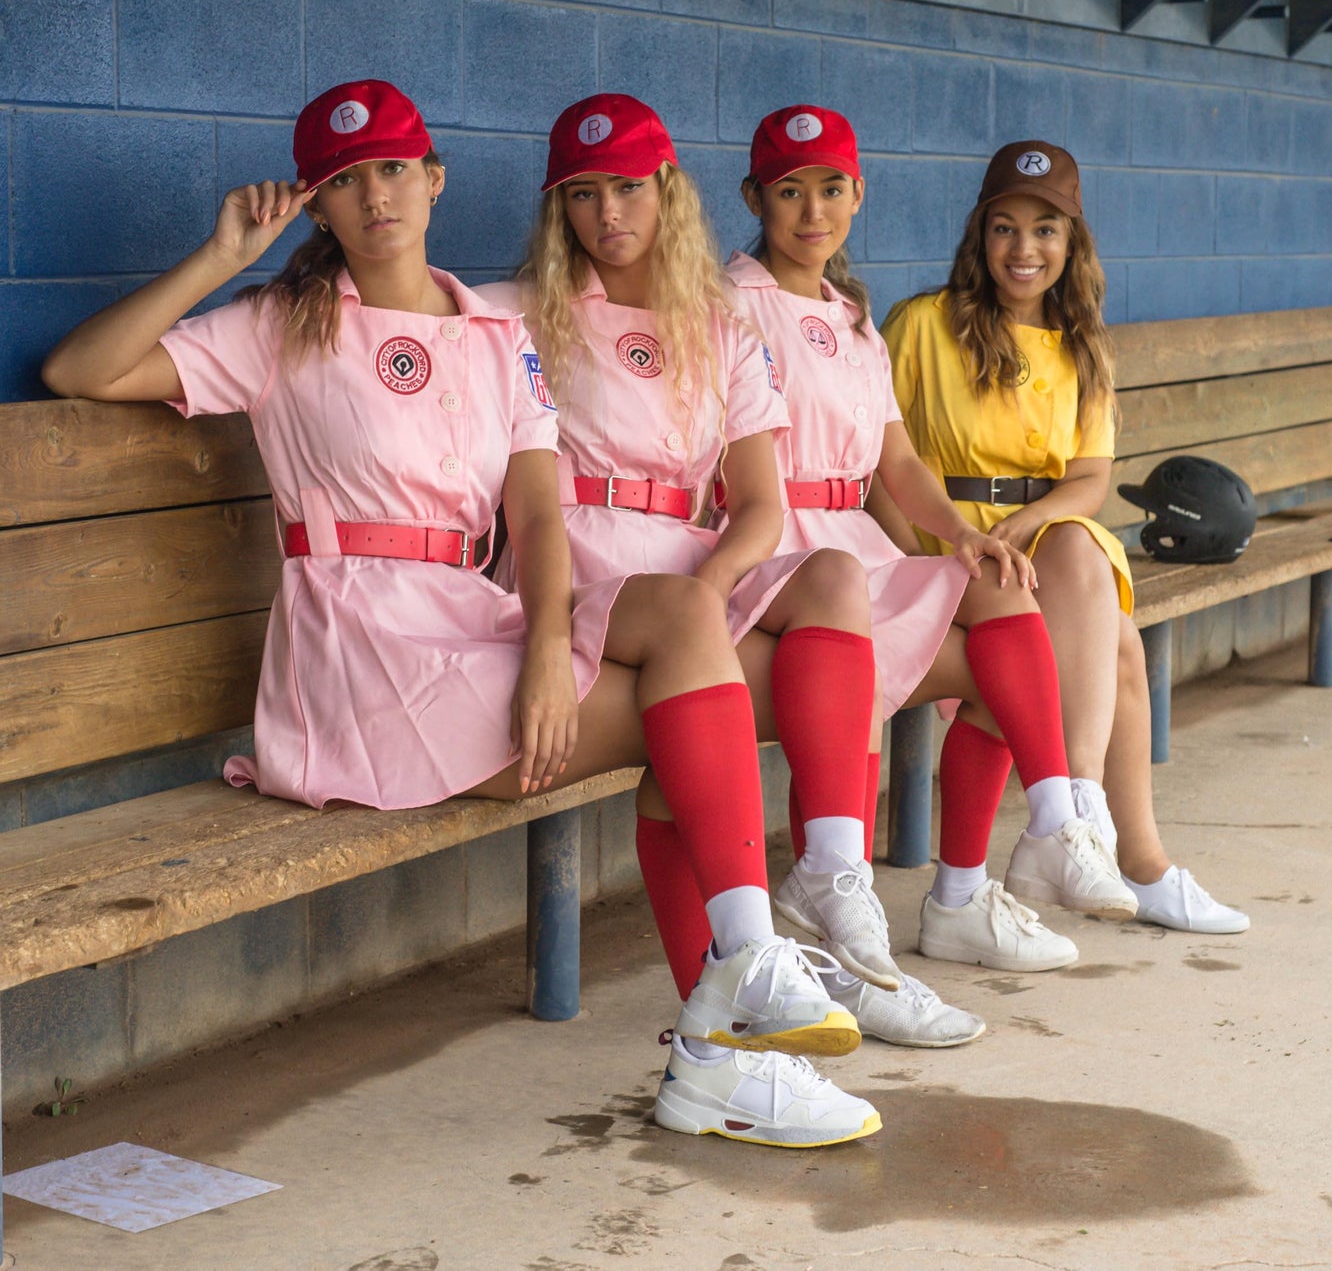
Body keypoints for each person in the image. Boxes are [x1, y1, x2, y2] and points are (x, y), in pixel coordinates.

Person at [40, 79, 880, 1149]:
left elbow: (534, 510)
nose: (373, 196)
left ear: (434, 179)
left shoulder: (496, 333)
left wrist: (542, 644)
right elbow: (82, 367)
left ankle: (730, 1020)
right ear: (318, 205)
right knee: (690, 718)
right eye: (342, 181)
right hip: (359, 647)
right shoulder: (281, 325)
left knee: (680, 635)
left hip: (470, 620)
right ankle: (724, 1040)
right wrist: (222, 258)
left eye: (392, 168)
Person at [494, 90, 954, 1050]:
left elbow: (757, 505)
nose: (606, 216)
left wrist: (712, 590)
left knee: (829, 578)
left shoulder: (718, 325)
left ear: (668, 192)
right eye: (581, 195)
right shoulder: (514, 314)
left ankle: (833, 886)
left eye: (626, 188)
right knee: (717, 708)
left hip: (682, 575)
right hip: (576, 572)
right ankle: (747, 1003)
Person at [728, 104, 1140, 1000]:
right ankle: (853, 918)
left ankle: (1039, 833)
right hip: (778, 541)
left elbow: (894, 460)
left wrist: (959, 540)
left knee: (1003, 600)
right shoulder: (731, 304)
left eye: (831, 189)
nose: (812, 212)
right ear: (754, 196)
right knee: (892, 657)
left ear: (857, 195)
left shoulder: (852, 316)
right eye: (790, 191)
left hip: (855, 535)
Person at [878, 139, 1249, 934]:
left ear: (1071, 242)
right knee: (1117, 642)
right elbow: (880, 458)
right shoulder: (920, 324)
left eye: (1045, 230)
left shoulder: (1082, 345)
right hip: (946, 540)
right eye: (1005, 227)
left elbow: (1085, 478)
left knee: (1079, 544)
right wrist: (924, 545)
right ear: (979, 236)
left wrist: (1028, 519)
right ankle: (1109, 843)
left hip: (1042, 538)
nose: (1024, 249)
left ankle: (1084, 821)